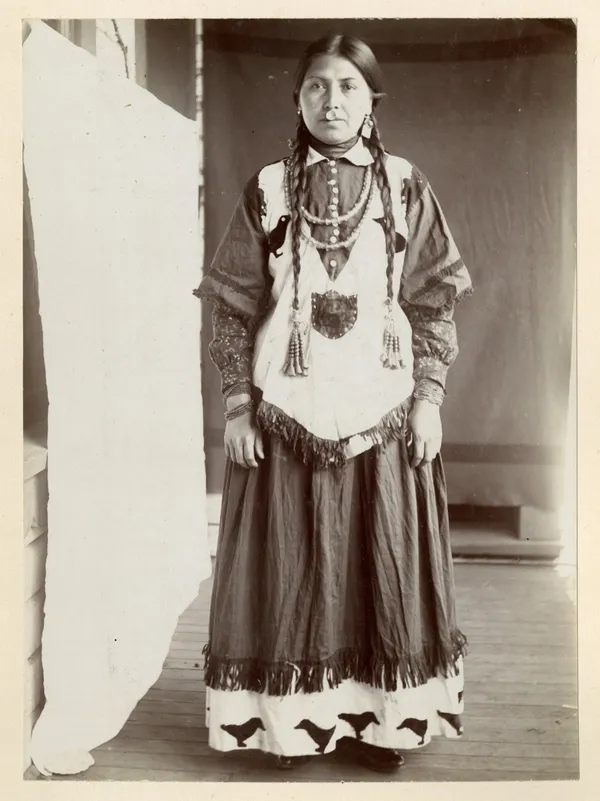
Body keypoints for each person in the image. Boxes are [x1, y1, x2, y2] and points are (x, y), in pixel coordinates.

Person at [194, 33, 473, 774]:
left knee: (380, 565)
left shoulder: (404, 185)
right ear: (298, 99)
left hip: (383, 414)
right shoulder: (267, 189)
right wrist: (237, 405)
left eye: (348, 86)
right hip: (287, 413)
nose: (332, 100)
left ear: (371, 100)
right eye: (317, 85)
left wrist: (429, 398)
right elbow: (230, 306)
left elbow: (434, 299)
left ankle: (380, 727)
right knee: (290, 569)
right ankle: (287, 726)